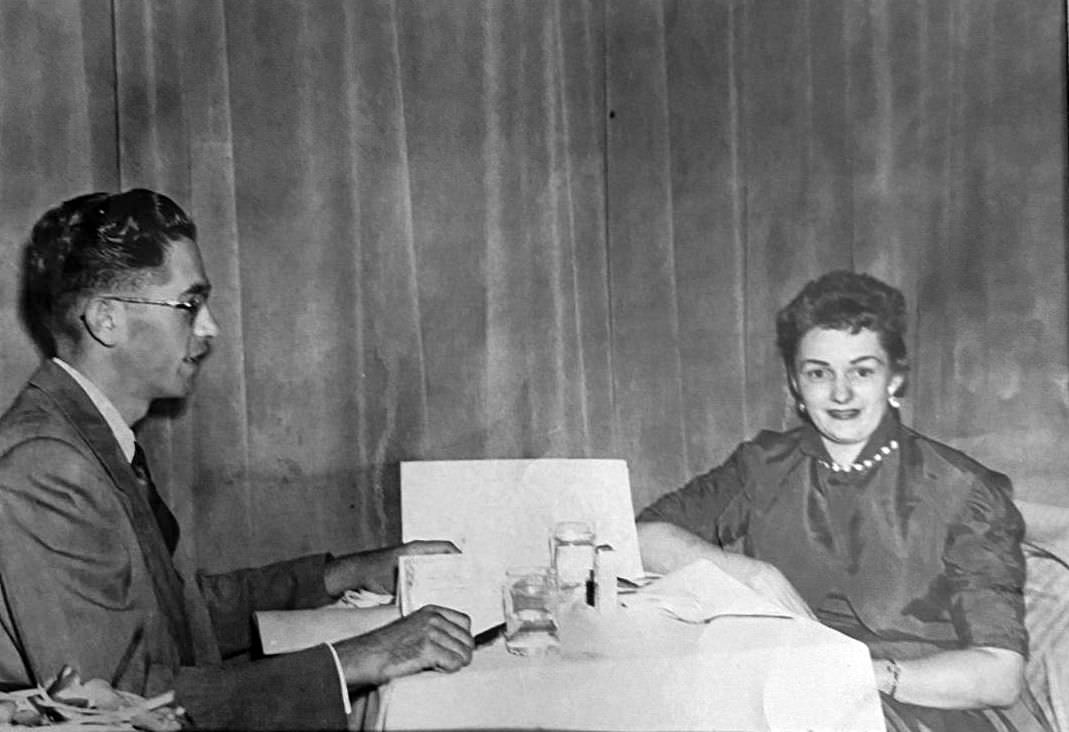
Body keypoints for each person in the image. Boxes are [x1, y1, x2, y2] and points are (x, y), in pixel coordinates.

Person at [0, 189, 474, 730]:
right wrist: (367, 657)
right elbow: (122, 709)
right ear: (107, 319)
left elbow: (179, 610)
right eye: (189, 305)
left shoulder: (89, 438)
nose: (210, 328)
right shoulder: (45, 465)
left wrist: (349, 573)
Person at [637, 270, 1048, 731]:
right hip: (797, 694)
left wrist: (860, 676)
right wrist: (752, 573)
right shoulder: (763, 465)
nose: (840, 393)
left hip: (935, 707)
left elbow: (999, 674)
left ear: (894, 379)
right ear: (796, 384)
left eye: (862, 371)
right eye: (819, 373)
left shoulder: (962, 490)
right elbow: (644, 536)